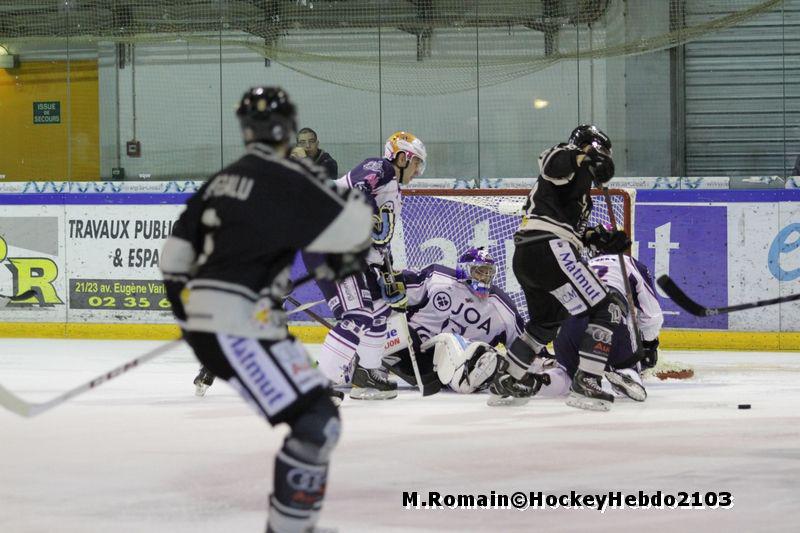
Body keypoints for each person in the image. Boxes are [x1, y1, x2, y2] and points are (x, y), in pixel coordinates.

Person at [160, 86, 373, 533]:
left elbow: (174, 259)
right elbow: (353, 227)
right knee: (317, 423)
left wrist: (190, 318)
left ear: (245, 130)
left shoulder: (219, 182)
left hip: (226, 326)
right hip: (245, 327)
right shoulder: (292, 176)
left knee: (316, 416)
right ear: (288, 128)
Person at [491, 124, 632, 411]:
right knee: (608, 308)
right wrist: (585, 156)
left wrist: (600, 239)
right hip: (550, 248)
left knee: (546, 322)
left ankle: (507, 378)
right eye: (602, 153)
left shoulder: (580, 193)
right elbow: (552, 163)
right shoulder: (565, 154)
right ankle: (587, 380)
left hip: (531, 254)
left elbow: (574, 232)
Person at [309, 131, 427, 400]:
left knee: (381, 308)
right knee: (356, 316)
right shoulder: (381, 167)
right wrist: (371, 216)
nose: (418, 170)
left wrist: (387, 273)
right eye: (416, 162)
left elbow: (379, 240)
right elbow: (358, 190)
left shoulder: (393, 190)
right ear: (401, 157)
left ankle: (367, 373)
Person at [381, 247, 525, 394]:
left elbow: (523, 344)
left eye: (488, 273)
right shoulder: (436, 279)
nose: (484, 278)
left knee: (482, 354)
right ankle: (374, 368)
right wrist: (392, 283)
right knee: (388, 325)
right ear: (464, 269)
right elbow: (394, 288)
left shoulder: (503, 308)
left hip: (457, 369)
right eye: (479, 272)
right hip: (413, 351)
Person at [534, 254, 662, 402]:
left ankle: (536, 384)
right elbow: (652, 316)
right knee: (627, 357)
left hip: (567, 321)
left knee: (567, 376)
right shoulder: (630, 264)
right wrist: (649, 344)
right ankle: (626, 372)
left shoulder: (582, 264)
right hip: (608, 317)